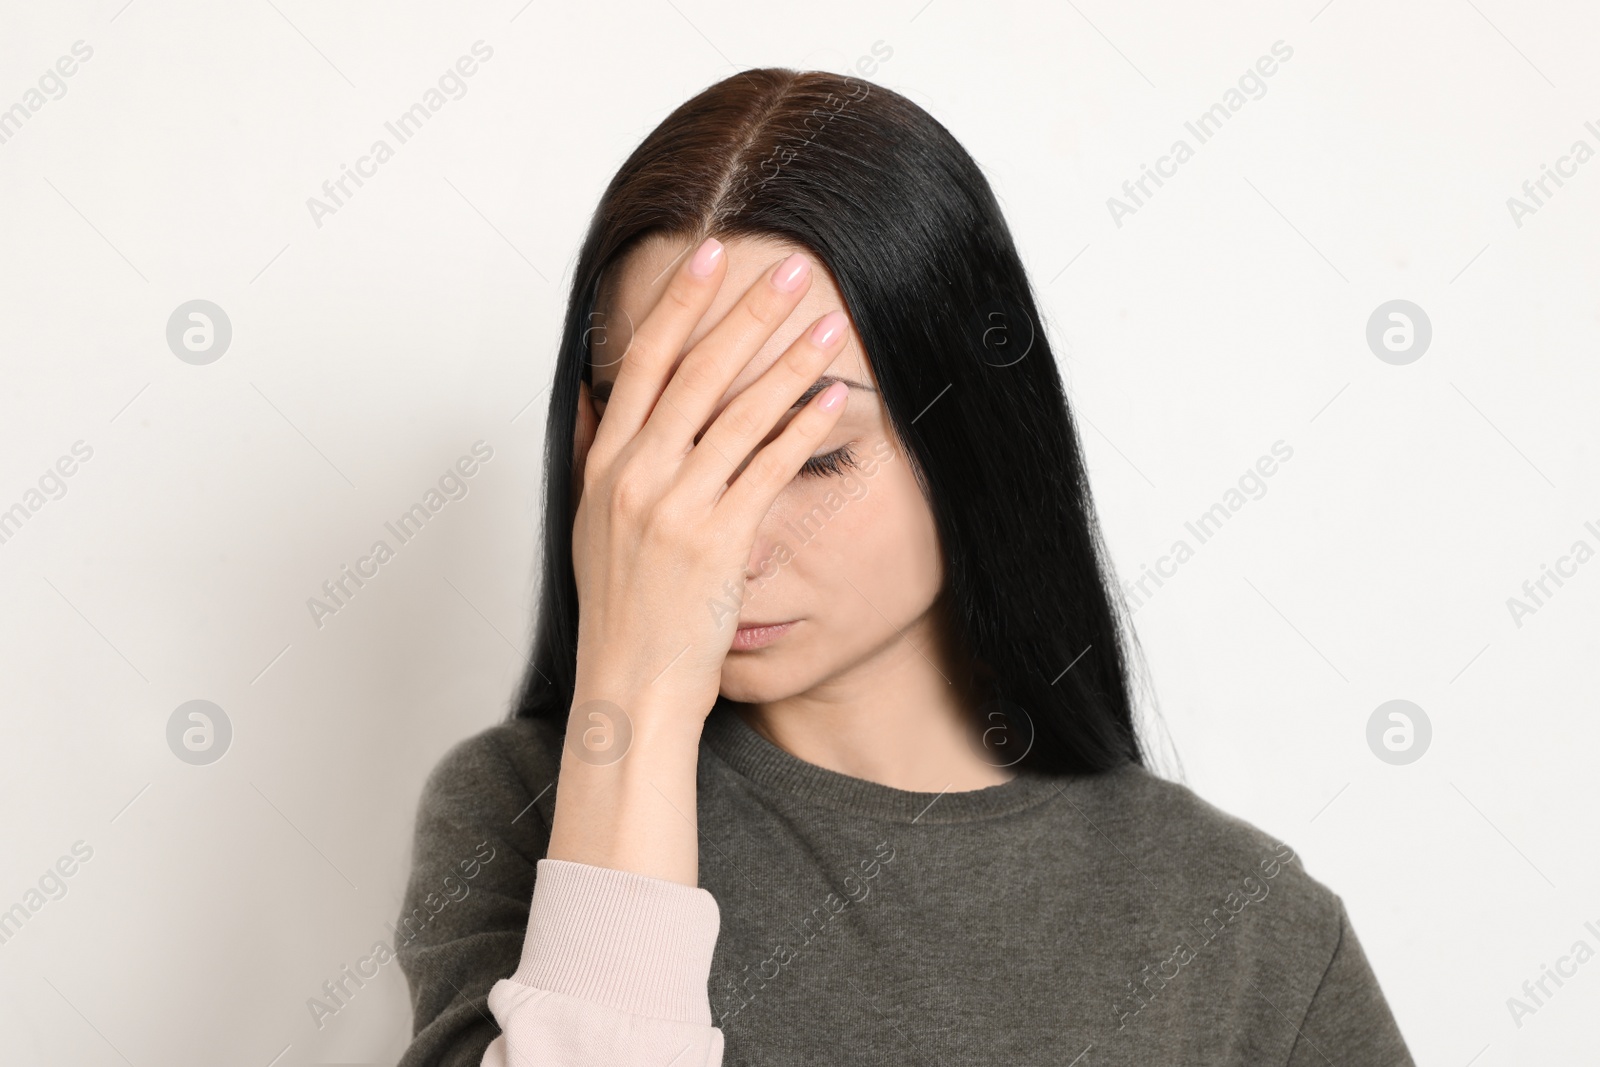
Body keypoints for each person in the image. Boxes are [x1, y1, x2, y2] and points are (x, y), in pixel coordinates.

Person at [394, 67, 1415, 1066]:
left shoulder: (1245, 930)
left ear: (972, 429)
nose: (722, 543)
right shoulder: (520, 814)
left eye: (816, 455)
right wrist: (635, 699)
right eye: (665, 447)